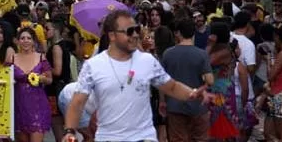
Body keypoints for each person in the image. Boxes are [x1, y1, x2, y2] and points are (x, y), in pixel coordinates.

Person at [63, 9, 210, 142]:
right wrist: (70, 131)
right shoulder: (93, 66)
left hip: (144, 137)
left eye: (137, 30)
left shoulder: (147, 61)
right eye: (129, 31)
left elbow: (171, 87)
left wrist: (192, 93)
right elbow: (77, 103)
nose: (134, 35)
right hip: (108, 137)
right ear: (112, 36)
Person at [160, 19, 214, 142]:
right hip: (198, 106)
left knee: (178, 138)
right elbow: (210, 81)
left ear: (177, 33)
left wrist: (162, 102)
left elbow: (162, 82)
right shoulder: (201, 54)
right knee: (200, 138)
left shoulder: (168, 54)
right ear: (193, 33)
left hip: (175, 106)